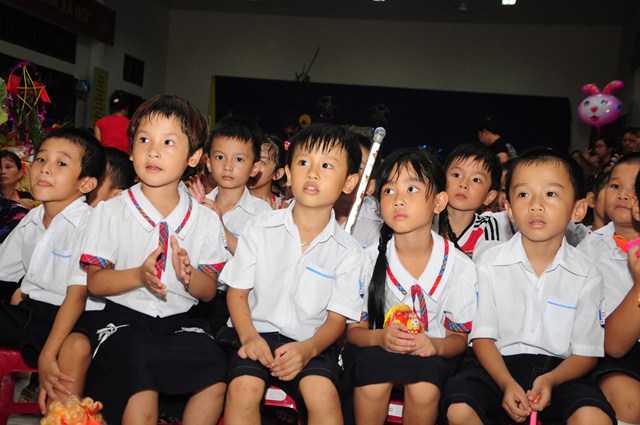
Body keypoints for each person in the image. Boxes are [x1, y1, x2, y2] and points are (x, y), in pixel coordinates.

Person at [80, 95, 228, 425]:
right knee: (137, 365)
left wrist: (189, 275)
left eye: (168, 142)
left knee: (215, 367)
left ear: (194, 157)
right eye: (144, 140)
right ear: (131, 150)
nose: (154, 151)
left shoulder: (205, 220)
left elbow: (208, 292)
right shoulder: (112, 210)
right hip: (122, 318)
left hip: (179, 321)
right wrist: (138, 275)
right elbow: (95, 282)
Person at [444, 149, 615, 425]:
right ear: (509, 209)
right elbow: (483, 338)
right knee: (459, 407)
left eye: (551, 194)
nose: (536, 205)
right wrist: (506, 382)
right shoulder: (490, 262)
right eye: (523, 194)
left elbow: (585, 353)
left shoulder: (587, 274)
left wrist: (551, 380)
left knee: (593, 417)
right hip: (496, 366)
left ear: (578, 209)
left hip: (561, 371)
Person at [219, 122, 364, 425]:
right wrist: (249, 337)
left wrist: (307, 350)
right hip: (254, 332)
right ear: (287, 172)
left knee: (323, 395)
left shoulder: (349, 251)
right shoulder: (260, 228)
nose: (313, 173)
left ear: (349, 182)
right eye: (303, 162)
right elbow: (237, 293)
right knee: (243, 390)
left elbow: (336, 320)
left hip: (311, 343)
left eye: (326, 165)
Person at [342, 148, 477, 425]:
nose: (399, 199)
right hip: (376, 349)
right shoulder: (366, 260)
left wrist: (434, 346)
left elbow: (458, 339)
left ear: (439, 202)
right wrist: (380, 338)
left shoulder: (459, 266)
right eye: (389, 191)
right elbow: (354, 332)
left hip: (434, 353)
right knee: (372, 380)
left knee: (424, 387)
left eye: (412, 189)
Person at [0, 128, 106, 409]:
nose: (45, 168)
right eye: (40, 159)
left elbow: (77, 297)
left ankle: (62, 416)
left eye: (61, 163)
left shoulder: (88, 224)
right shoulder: (33, 217)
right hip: (32, 313)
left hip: (76, 319)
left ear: (86, 183)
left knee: (73, 349)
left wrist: (49, 354)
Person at [188, 116, 272, 336]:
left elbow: (260, 262)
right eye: (219, 157)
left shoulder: (261, 213)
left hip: (235, 301)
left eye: (239, 159)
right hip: (192, 293)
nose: (227, 166)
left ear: (254, 168)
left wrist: (219, 225)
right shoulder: (196, 203)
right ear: (208, 162)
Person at [578, 153, 640, 425]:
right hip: (619, 352)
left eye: (635, 187)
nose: (623, 194)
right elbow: (613, 345)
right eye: (615, 185)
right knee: (627, 399)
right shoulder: (590, 249)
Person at [438, 143, 512, 259]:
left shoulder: (488, 227)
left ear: (489, 196)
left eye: (476, 180)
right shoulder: (426, 221)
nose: (464, 184)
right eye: (456, 175)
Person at [248, 133, 287, 209]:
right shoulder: (229, 199)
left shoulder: (283, 210)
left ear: (278, 174)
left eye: (261, 162)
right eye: (251, 159)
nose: (254, 166)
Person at [94, 90, 131, 154]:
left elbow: (97, 147)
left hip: (106, 158)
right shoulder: (131, 124)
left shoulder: (99, 123)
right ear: (126, 108)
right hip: (124, 158)